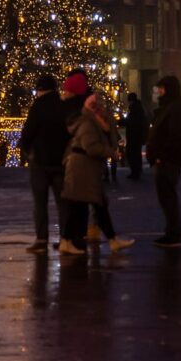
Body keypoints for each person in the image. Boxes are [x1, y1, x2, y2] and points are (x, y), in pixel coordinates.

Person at [60, 90, 132, 256]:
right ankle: (67, 241)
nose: (102, 110)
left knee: (92, 205)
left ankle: (111, 240)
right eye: (98, 106)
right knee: (87, 205)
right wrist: (111, 153)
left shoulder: (92, 122)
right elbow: (91, 147)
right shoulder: (88, 124)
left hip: (85, 169)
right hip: (82, 169)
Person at [17, 73, 68, 253]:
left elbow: (28, 133)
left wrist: (27, 150)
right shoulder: (63, 106)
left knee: (40, 203)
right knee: (63, 203)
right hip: (61, 161)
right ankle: (65, 238)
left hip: (40, 161)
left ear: (39, 90)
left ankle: (41, 239)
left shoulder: (37, 107)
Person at [145, 75, 181, 246]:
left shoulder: (176, 108)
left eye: (162, 89)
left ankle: (173, 233)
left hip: (168, 160)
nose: (160, 92)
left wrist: (160, 156)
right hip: (165, 159)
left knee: (168, 197)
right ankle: (171, 231)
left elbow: (175, 136)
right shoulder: (170, 107)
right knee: (166, 197)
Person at [122, 92, 147, 181]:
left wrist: (122, 121)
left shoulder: (133, 109)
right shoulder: (139, 108)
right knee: (136, 154)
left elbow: (131, 122)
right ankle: (137, 170)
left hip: (134, 135)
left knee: (133, 154)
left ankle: (135, 171)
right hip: (137, 135)